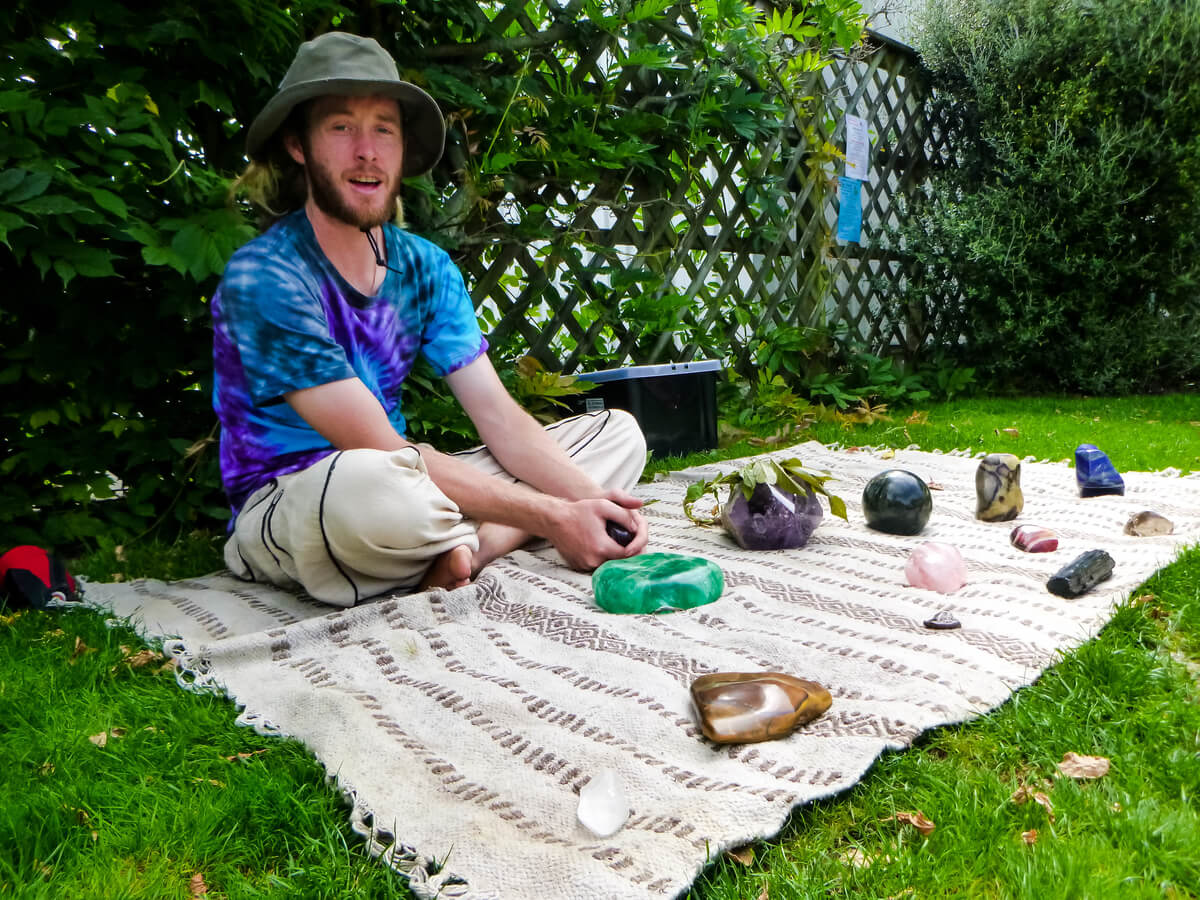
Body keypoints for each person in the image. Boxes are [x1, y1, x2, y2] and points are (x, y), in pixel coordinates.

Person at [211, 32, 649, 607]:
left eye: (383, 129)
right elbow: (373, 446)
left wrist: (593, 505)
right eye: (342, 127)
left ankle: (469, 546)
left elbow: (498, 418)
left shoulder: (426, 267)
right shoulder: (265, 276)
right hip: (303, 494)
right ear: (299, 145)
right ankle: (492, 532)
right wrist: (553, 511)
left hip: (405, 475)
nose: (366, 150)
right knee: (373, 491)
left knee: (616, 434)